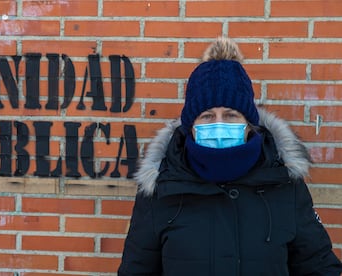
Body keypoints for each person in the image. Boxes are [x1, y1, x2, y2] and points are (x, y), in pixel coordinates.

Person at [118, 37, 342, 275]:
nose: (219, 123)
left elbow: (318, 268)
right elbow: (136, 270)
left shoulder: (284, 183)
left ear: (248, 123)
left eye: (231, 114)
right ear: (190, 125)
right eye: (207, 116)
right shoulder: (161, 188)